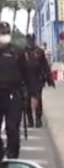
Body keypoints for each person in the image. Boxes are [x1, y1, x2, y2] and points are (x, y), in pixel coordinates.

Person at [0, 21, 31, 159]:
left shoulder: (17, 51)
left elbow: (27, 73)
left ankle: (13, 155)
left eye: (6, 33)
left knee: (12, 128)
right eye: (2, 33)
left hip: (14, 94)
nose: (4, 36)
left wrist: (31, 93)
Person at [23, 34, 54, 128]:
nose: (30, 42)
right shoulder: (22, 52)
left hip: (37, 78)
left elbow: (45, 66)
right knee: (26, 101)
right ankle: (30, 120)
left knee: (38, 100)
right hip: (26, 79)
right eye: (29, 40)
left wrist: (49, 79)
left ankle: (38, 119)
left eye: (32, 40)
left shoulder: (39, 52)